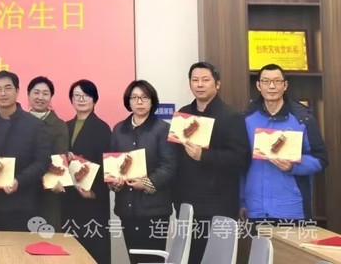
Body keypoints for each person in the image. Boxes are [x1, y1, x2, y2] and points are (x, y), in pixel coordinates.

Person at [173, 62, 250, 264]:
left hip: (218, 205)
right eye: (195, 80)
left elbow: (240, 158)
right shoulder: (183, 114)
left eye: (205, 80)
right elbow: (175, 159)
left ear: (217, 84)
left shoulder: (231, 116)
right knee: (189, 258)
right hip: (187, 204)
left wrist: (204, 156)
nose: (200, 85)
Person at [241, 63, 328, 225]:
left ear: (285, 85)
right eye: (266, 81)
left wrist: (293, 166)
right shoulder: (247, 118)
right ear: (258, 86)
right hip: (255, 208)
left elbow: (321, 159)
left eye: (277, 81)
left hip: (291, 207)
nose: (271, 86)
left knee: (290, 243)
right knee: (257, 243)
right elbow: (240, 164)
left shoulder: (302, 118)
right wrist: (242, 202)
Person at [0, 71, 52, 232]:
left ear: (17, 91)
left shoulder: (35, 125)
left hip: (23, 204)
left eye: (8, 88)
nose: (2, 93)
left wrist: (18, 181)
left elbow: (43, 161)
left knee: (21, 248)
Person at [110, 80, 176, 264]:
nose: (139, 102)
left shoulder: (163, 128)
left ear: (152, 101)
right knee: (134, 258)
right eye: (135, 98)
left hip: (155, 210)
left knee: (153, 260)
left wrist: (146, 183)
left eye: (144, 97)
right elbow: (112, 165)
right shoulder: (119, 130)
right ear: (128, 101)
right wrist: (114, 183)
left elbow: (169, 165)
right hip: (126, 208)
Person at [61, 80, 112, 264]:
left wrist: (94, 192)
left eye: (86, 95)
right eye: (77, 96)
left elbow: (107, 167)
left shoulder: (103, 128)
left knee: (94, 251)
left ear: (94, 99)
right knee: (69, 250)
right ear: (71, 100)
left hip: (92, 200)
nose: (81, 99)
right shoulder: (64, 127)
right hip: (68, 198)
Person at [26, 76, 68, 231]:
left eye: (45, 93)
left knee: (47, 235)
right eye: (36, 92)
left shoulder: (59, 125)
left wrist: (57, 181)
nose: (40, 97)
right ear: (28, 95)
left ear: (51, 97)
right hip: (22, 189)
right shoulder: (19, 122)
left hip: (48, 191)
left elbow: (60, 156)